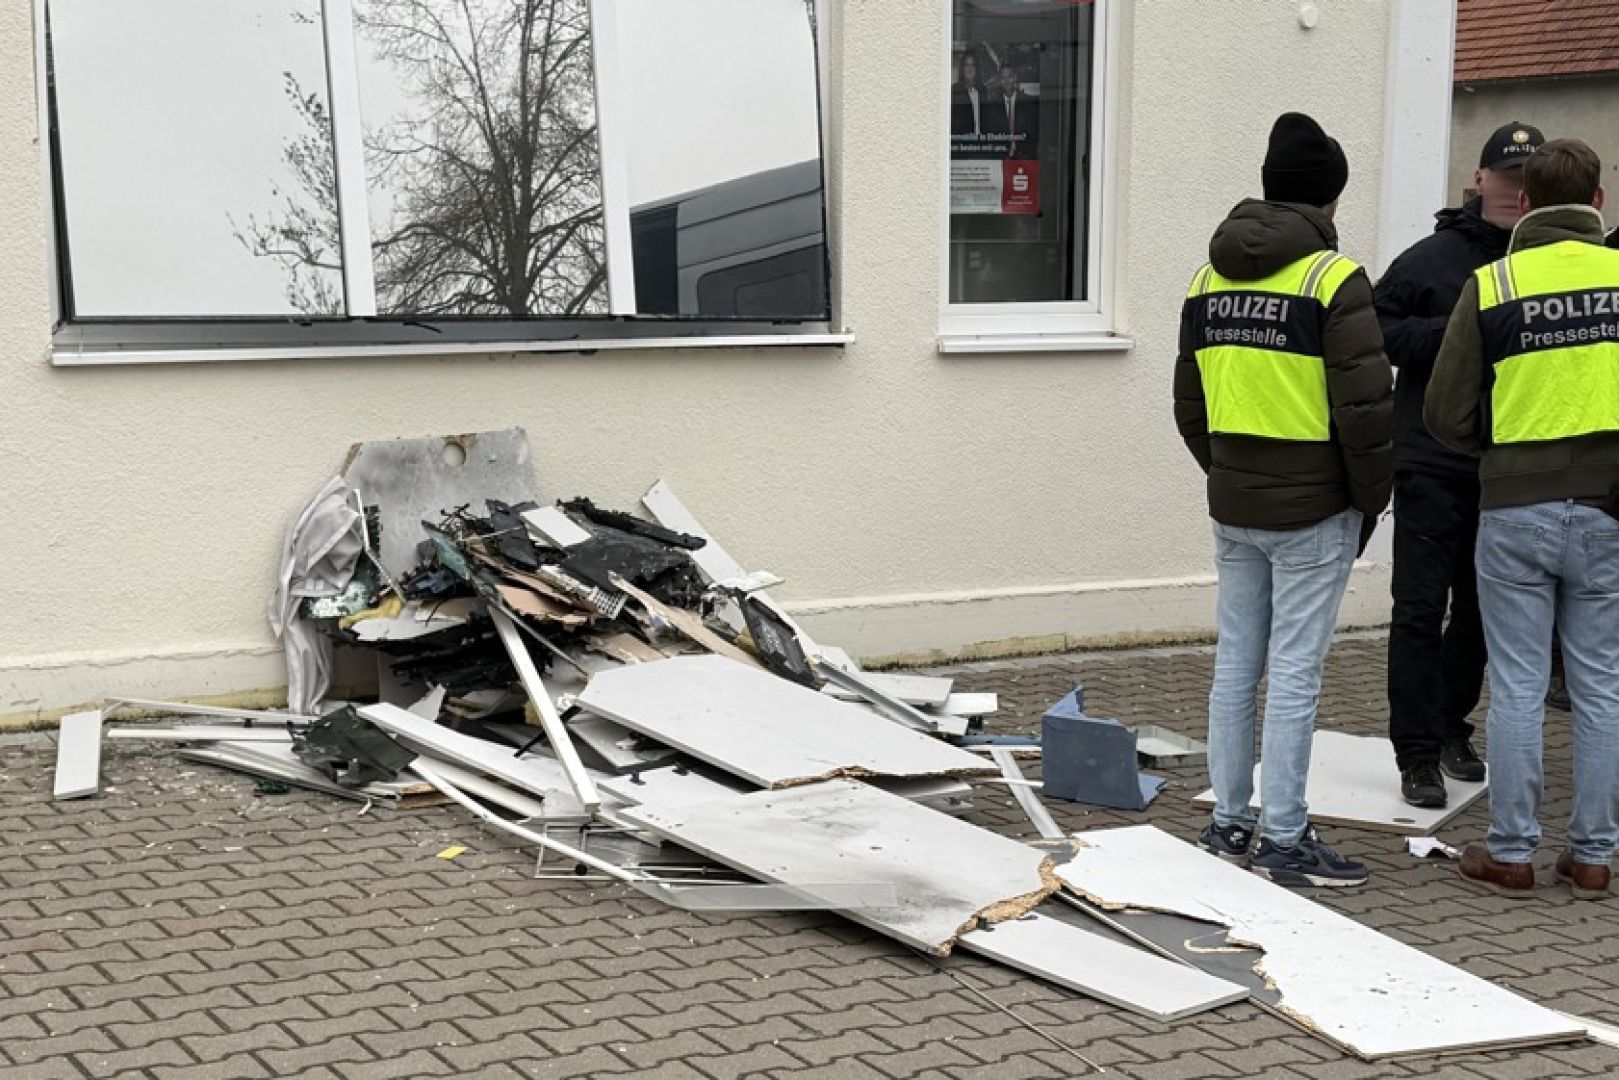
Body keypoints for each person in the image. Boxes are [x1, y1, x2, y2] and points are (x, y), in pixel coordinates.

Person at [1175, 112, 1394, 887]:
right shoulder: (1332, 279)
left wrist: (1227, 470)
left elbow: (1189, 407)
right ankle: (1284, 838)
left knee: (1235, 665)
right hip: (1313, 507)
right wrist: (1368, 503)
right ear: (1328, 198)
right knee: (1295, 672)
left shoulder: (1205, 280)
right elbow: (1365, 413)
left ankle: (1228, 823)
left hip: (1234, 502)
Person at [1426, 139, 1619, 901]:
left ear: (1526, 203)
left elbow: (1445, 411)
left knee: (1514, 683)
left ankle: (1510, 852)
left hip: (1511, 506)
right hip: (1607, 508)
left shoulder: (1492, 283)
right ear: (1597, 201)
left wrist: (1501, 446)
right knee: (1600, 684)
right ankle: (1593, 854)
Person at [1376, 122, 1544, 810]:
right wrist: (1455, 336)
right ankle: (1416, 755)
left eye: (1525, 181)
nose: (1513, 191)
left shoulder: (1548, 264)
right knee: (1419, 610)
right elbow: (1377, 331)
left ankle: (1450, 727)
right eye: (1503, 177)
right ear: (1478, 180)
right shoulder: (1430, 259)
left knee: (1480, 614)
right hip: (1429, 462)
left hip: (1507, 469)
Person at [985, 64, 1038, 159]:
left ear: (1015, 78)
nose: (1006, 81)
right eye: (1003, 78)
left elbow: (1034, 135)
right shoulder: (993, 106)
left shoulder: (1029, 103)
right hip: (1001, 158)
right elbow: (991, 136)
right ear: (999, 81)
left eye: (1009, 77)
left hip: (1025, 158)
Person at [951, 51, 985, 139]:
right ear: (962, 69)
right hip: (963, 142)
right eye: (966, 65)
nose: (969, 68)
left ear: (976, 68)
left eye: (972, 65)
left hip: (982, 142)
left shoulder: (983, 90)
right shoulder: (954, 90)